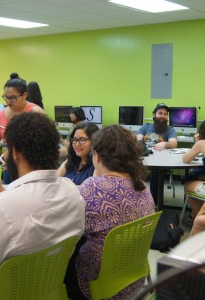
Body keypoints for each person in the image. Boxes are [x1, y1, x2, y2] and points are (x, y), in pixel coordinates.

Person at [0, 112, 85, 300]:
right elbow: (29, 217)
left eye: (6, 148)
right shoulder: (73, 193)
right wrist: (0, 192)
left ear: (15, 153)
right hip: (47, 292)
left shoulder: (1, 210)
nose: (4, 155)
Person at [67, 125, 155, 299]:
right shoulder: (143, 188)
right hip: (132, 277)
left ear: (97, 156)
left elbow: (68, 228)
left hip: (97, 282)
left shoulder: (92, 188)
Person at [136, 103, 177, 204]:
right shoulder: (145, 127)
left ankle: (154, 203)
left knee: (156, 172)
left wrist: (165, 143)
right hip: (145, 157)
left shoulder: (170, 129)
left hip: (161, 162)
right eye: (160, 113)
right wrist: (140, 142)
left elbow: (174, 143)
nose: (163, 116)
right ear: (154, 115)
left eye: (165, 114)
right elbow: (139, 139)